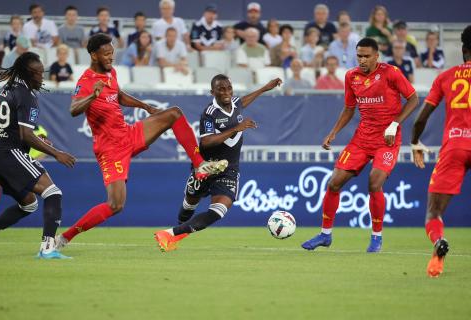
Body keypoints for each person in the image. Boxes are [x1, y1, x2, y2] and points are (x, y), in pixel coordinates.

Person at [54, 34, 227, 250]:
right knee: (116, 205)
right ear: (93, 55)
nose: (110, 58)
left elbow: (118, 95)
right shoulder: (86, 82)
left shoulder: (111, 73)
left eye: (112, 54)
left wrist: (145, 106)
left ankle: (199, 165)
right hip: (110, 149)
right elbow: (73, 109)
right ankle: (64, 238)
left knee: (174, 113)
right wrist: (92, 96)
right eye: (106, 54)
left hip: (128, 134)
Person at [301, 38, 418, 253]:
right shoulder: (351, 76)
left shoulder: (391, 72)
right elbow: (349, 108)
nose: (362, 60)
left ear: (376, 56)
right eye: (359, 56)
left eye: (366, 56)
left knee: (374, 183)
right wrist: (333, 132)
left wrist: (394, 124)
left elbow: (413, 99)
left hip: (387, 139)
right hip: (362, 139)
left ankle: (376, 237)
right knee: (334, 183)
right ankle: (325, 235)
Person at [154, 75, 282, 251]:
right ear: (212, 92)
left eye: (229, 88)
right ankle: (175, 234)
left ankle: (169, 234)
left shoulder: (236, 103)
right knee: (189, 204)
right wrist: (236, 128)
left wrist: (265, 87)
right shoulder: (209, 113)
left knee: (218, 211)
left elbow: (244, 100)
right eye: (221, 89)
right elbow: (206, 142)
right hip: (206, 167)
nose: (226, 92)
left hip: (228, 170)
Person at [0, 52, 76, 258]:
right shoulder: (27, 94)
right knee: (53, 193)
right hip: (8, 153)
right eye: (38, 73)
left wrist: (38, 142)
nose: (42, 77)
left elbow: (14, 130)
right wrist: (57, 153)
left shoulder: (7, 89)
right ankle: (47, 249)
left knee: (28, 203)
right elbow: (26, 135)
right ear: (28, 74)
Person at [410, 25, 471, 278]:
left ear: (463, 49)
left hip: (455, 146)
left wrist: (415, 143)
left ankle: (438, 246)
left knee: (434, 212)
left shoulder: (446, 77)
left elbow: (421, 119)